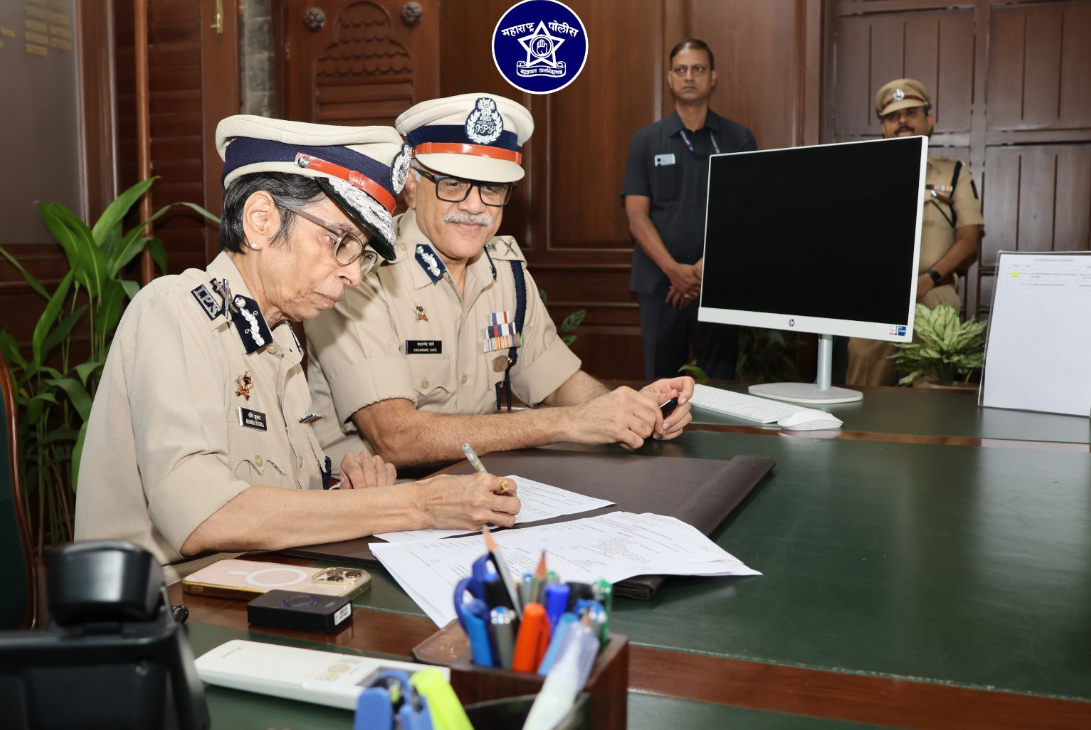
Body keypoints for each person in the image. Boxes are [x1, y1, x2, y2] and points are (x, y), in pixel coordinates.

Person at [74, 116, 519, 580]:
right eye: (340, 241)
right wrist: (418, 504)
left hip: (253, 584)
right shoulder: (173, 309)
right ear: (261, 220)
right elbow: (206, 516)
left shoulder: (279, 339)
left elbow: (272, 499)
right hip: (160, 605)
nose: (354, 274)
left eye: (363, 254)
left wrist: (346, 497)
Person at [304, 93, 694, 469]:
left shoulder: (505, 270)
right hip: (374, 500)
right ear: (410, 185)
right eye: (452, 183)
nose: (475, 206)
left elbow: (557, 383)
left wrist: (628, 408)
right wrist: (569, 422)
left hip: (476, 487)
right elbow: (397, 437)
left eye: (492, 188)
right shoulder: (358, 272)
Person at [622, 38, 757, 382]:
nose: (689, 76)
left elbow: (745, 215)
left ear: (713, 77)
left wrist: (701, 270)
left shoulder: (738, 139)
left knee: (720, 384)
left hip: (717, 282)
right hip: (659, 285)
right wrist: (674, 270)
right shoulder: (645, 140)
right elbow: (636, 215)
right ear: (669, 78)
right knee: (660, 388)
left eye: (698, 69)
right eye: (681, 70)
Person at [845, 78, 985, 386]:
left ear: (928, 120)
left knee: (930, 386)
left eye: (911, 113)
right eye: (893, 117)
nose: (902, 121)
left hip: (934, 289)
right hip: (880, 293)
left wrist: (928, 279)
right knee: (863, 377)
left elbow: (970, 238)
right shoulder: (864, 175)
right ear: (884, 127)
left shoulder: (954, 173)